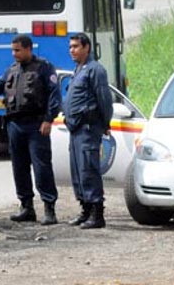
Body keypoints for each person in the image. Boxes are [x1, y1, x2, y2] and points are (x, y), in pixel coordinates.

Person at [0, 34, 60, 225]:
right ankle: (26, 207)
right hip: (15, 125)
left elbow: (54, 96)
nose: (14, 54)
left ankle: (49, 209)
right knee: (19, 167)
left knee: (42, 167)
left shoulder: (44, 67)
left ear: (28, 49)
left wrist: (49, 119)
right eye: (13, 50)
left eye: (18, 50)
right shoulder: (12, 70)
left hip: (36, 125)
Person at [62, 33, 113, 229]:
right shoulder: (78, 69)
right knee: (78, 172)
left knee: (88, 170)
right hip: (76, 129)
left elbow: (104, 99)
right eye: (70, 47)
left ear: (87, 47)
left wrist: (105, 123)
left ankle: (97, 214)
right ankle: (85, 209)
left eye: (75, 46)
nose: (72, 50)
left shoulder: (95, 70)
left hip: (88, 128)